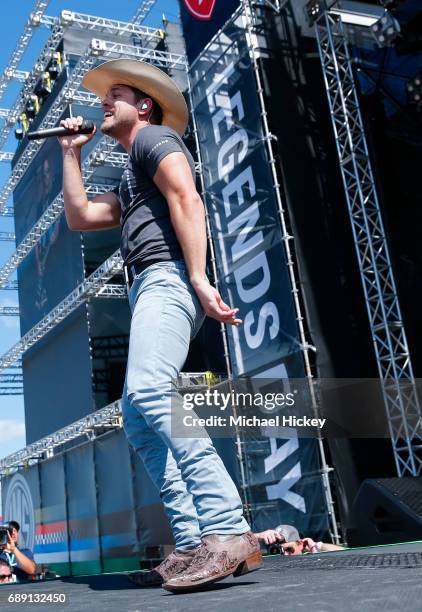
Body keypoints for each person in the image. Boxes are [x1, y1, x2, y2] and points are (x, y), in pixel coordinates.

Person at [59, 58, 261, 593]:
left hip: (169, 279)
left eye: (115, 94)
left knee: (150, 391)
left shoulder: (154, 140)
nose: (103, 102)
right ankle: (195, 542)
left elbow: (186, 199)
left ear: (144, 104)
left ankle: (227, 529)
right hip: (151, 287)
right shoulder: (129, 173)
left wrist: (196, 277)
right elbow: (80, 215)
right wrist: (69, 153)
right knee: (139, 418)